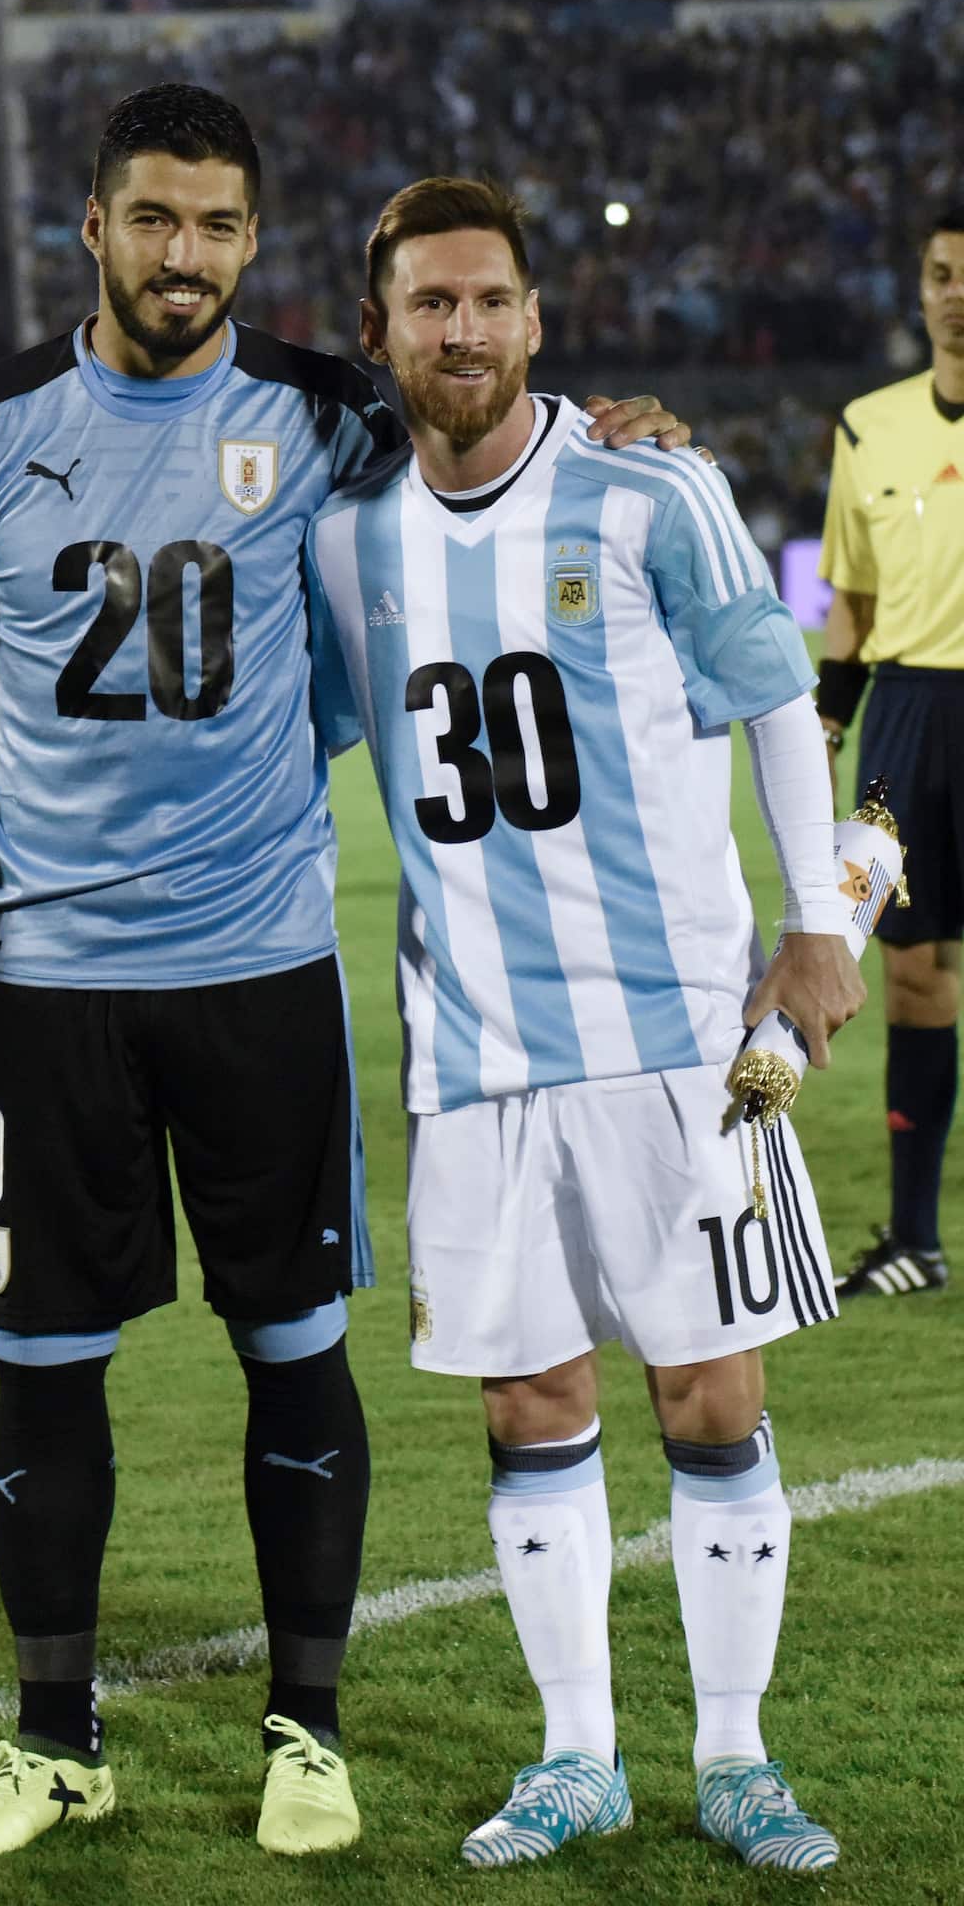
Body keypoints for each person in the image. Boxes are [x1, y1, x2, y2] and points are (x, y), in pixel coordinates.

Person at [0, 85, 693, 1863]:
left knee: (295, 1352)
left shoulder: (327, 415)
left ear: (257, 246)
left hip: (260, 973)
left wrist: (612, 425)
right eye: (155, 220)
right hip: (49, 982)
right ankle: (52, 1742)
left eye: (220, 227)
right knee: (44, 1366)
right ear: (91, 229)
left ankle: (306, 1730)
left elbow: (491, 430)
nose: (186, 256)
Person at [305, 177, 865, 1876]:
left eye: (489, 300)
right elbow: (308, 727)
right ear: (382, 329)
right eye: (428, 305)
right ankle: (577, 1758)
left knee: (708, 1392)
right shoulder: (346, 537)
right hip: (473, 1050)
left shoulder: (649, 486)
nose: (461, 329)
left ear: (535, 319)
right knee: (530, 1403)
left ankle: (736, 1758)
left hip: (681, 1034)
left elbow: (771, 693)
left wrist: (819, 926)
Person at [818, 206, 964, 1300]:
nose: (954, 292)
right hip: (905, 715)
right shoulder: (865, 426)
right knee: (913, 972)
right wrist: (823, 727)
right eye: (938, 273)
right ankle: (913, 1237)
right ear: (917, 291)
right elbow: (850, 604)